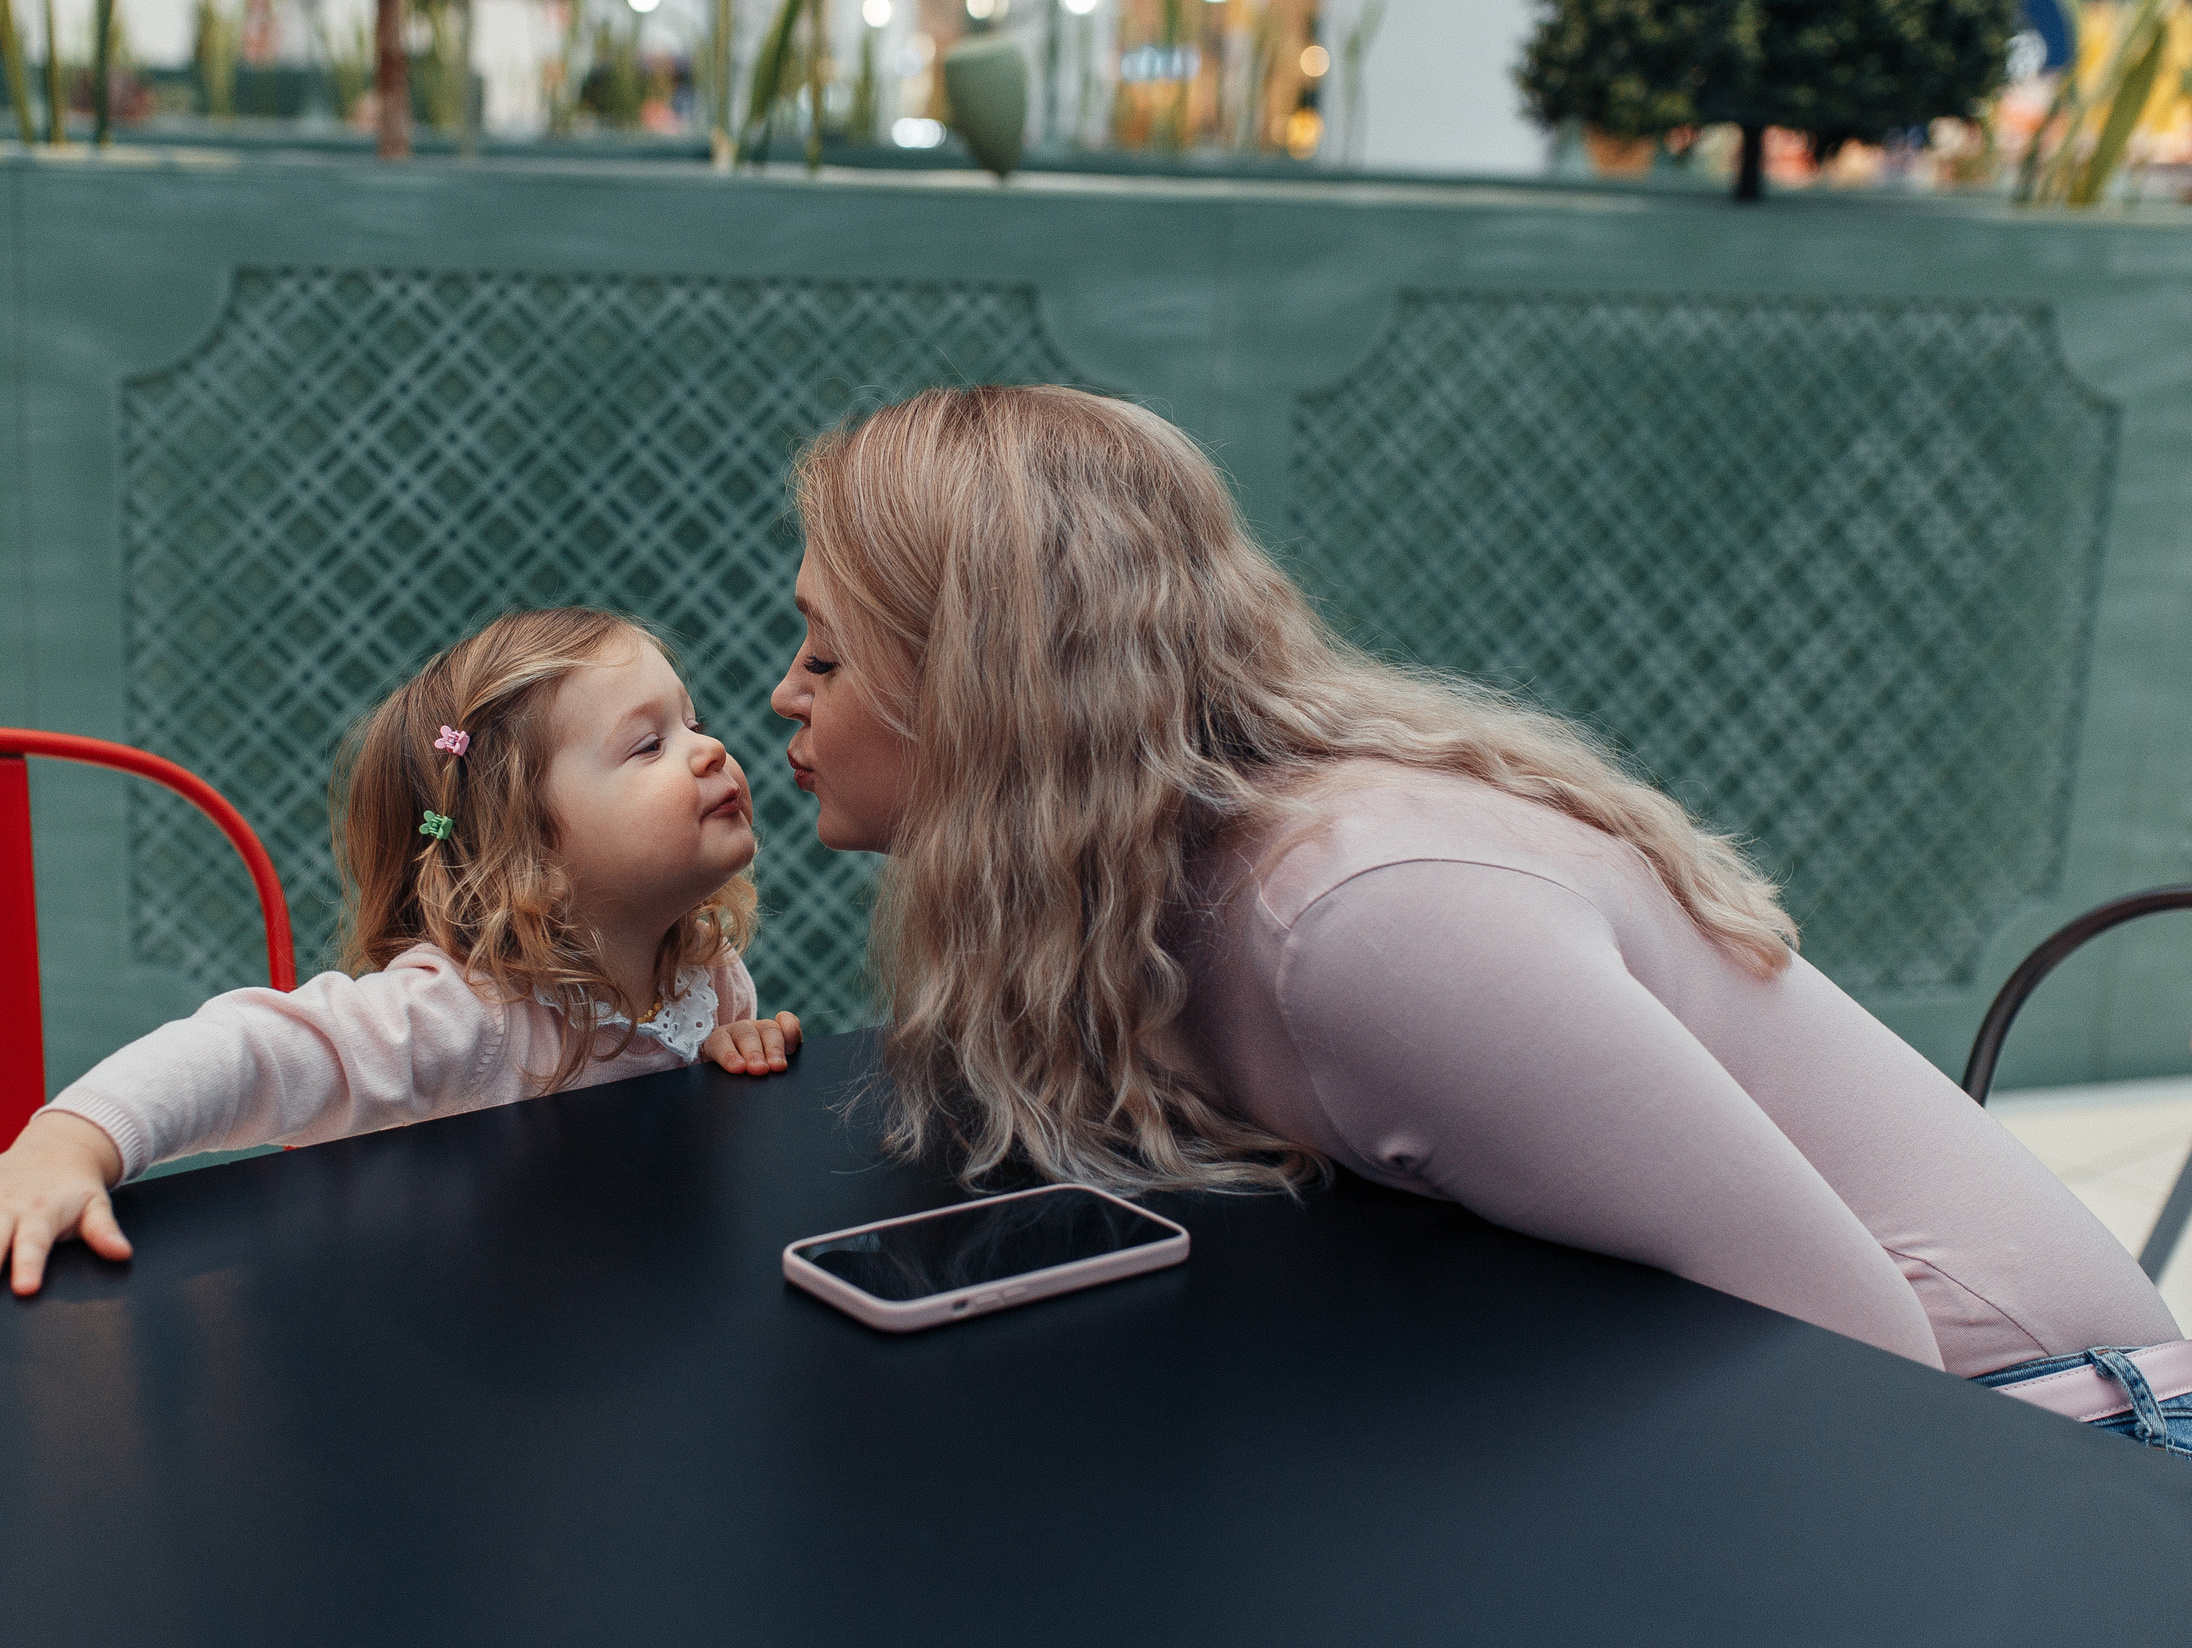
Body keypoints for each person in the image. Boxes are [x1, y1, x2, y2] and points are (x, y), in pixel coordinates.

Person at [770, 383, 2191, 1455]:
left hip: (2054, 1435)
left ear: (979, 695)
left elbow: (1859, 1357)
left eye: (826, 655)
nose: (784, 692)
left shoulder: (1359, 918)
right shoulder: (1142, 885)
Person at [0, 608, 803, 1298]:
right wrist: (67, 1146)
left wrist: (731, 1057)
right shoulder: (459, 1015)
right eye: (648, 745)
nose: (709, 749)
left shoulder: (706, 975)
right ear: (530, 854)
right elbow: (243, 1050)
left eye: (692, 721)